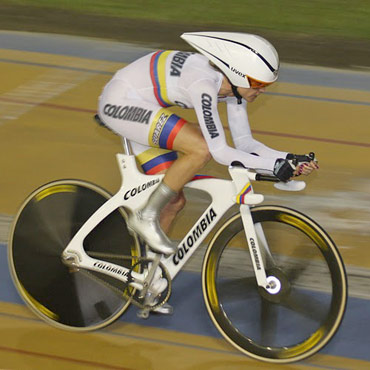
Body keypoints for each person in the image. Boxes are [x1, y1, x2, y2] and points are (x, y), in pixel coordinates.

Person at [98, 31, 318, 258]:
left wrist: (288, 159)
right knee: (201, 149)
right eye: (258, 84)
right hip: (122, 103)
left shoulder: (234, 89)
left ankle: (147, 274)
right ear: (236, 74)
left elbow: (244, 143)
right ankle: (145, 217)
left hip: (143, 107)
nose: (261, 90)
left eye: (266, 85)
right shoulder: (203, 85)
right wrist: (274, 166)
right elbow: (219, 151)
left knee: (173, 202)